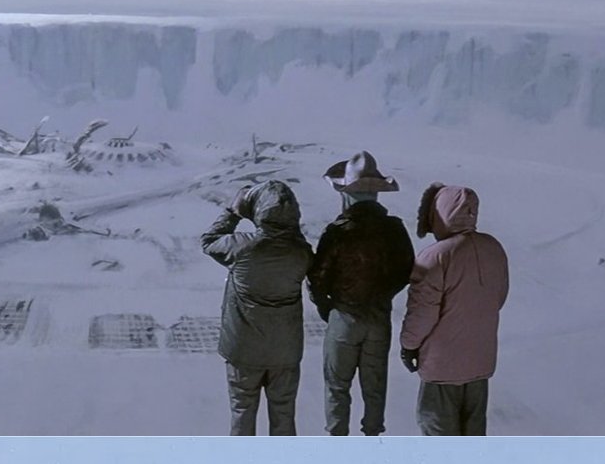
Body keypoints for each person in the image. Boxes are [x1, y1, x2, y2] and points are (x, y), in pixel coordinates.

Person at [308, 152, 414, 436]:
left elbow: (317, 278)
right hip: (379, 317)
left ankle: (338, 444)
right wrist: (383, 295)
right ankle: (372, 444)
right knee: (375, 388)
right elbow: (406, 271)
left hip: (343, 317)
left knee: (337, 387)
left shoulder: (338, 232)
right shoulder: (395, 230)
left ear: (345, 193)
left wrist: (327, 308)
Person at [201, 180, 313, 435]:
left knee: (242, 412)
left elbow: (208, 241)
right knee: (284, 416)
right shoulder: (302, 253)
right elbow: (298, 246)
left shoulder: (241, 246)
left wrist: (233, 212)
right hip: (285, 352)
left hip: (243, 350)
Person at [400, 183, 509, 436]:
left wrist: (408, 345)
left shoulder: (435, 256)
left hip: (441, 368)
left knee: (440, 439)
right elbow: (499, 299)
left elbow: (422, 313)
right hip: (480, 363)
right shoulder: (493, 248)